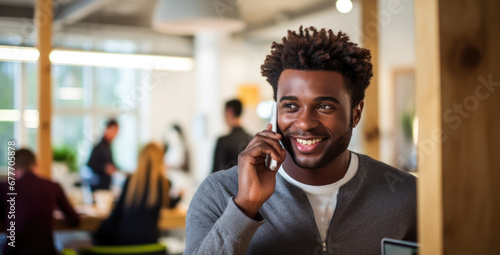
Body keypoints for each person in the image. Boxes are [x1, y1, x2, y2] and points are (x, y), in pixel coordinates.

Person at [186, 26, 417, 254]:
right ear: (276, 112)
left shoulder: (405, 194)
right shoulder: (219, 194)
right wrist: (245, 206)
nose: (305, 123)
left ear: (355, 114)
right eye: (291, 106)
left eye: (324, 106)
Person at [93, 142, 181, 245]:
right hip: (150, 244)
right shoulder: (164, 183)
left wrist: (97, 233)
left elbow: (117, 213)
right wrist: (179, 196)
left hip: (125, 242)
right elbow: (168, 203)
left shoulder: (131, 181)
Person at [0, 148, 80, 255]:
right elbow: (74, 220)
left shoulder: (5, 188)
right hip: (45, 251)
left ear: (13, 168)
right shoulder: (53, 187)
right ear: (37, 165)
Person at [212, 99, 252, 173]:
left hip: (227, 184)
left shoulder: (223, 141)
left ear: (229, 112)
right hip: (248, 183)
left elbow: (215, 172)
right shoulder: (252, 139)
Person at [87, 119, 119, 191]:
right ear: (107, 129)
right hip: (99, 188)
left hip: (106, 185)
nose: (115, 134)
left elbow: (110, 163)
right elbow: (90, 164)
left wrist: (115, 169)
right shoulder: (99, 147)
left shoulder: (108, 147)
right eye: (114, 131)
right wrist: (104, 168)